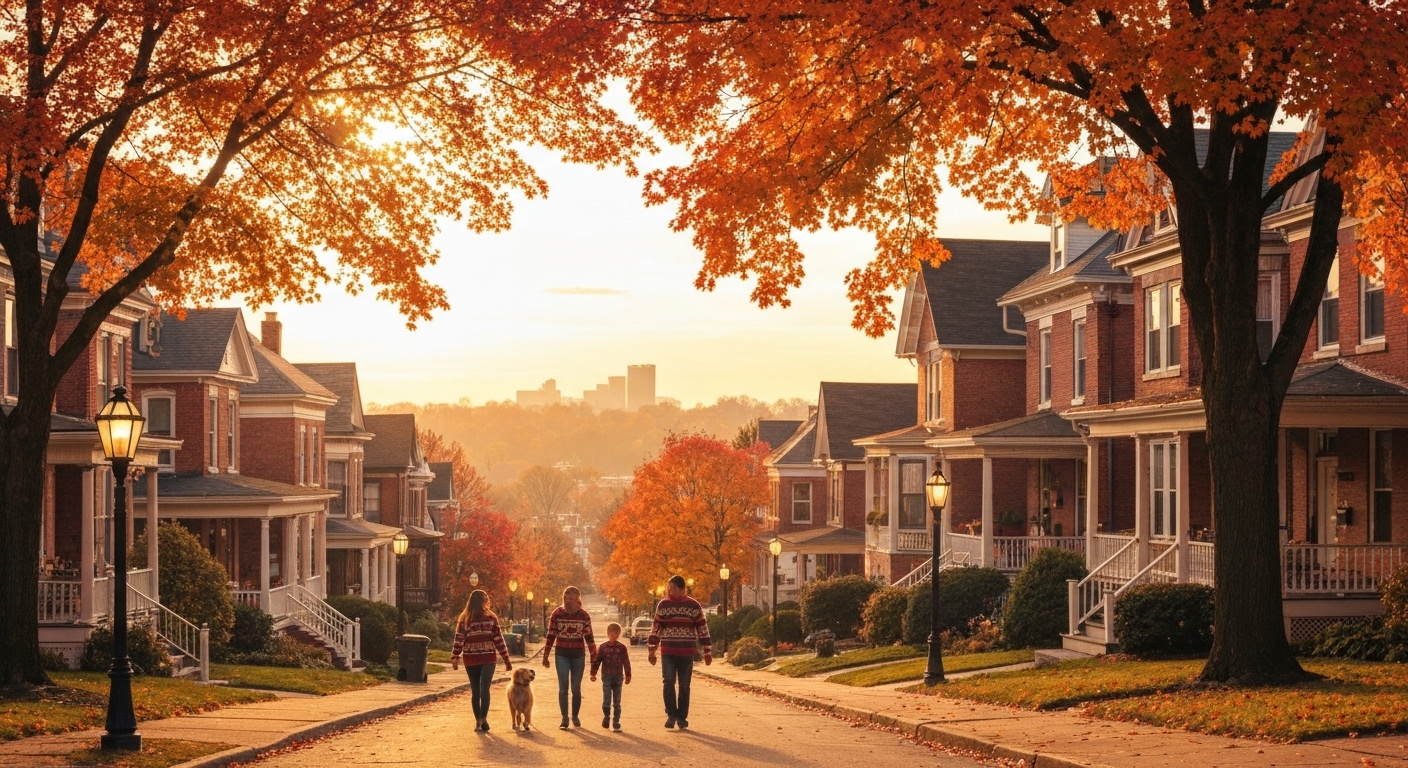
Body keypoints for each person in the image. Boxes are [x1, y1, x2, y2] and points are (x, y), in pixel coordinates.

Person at [647, 574, 711, 730]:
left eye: (673, 587)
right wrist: (652, 649)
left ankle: (682, 717)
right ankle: (671, 715)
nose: (669, 590)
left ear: (682, 589)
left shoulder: (694, 606)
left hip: (686, 651)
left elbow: (702, 628)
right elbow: (657, 627)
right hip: (668, 650)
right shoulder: (663, 605)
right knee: (668, 681)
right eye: (669, 587)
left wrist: (707, 651)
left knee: (684, 685)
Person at [450, 589, 513, 733]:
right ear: (484, 601)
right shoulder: (488, 617)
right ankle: (482, 719)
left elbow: (459, 640)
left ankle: (480, 720)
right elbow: (498, 640)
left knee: (477, 691)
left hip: (472, 658)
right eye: (486, 599)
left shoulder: (465, 618)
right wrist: (506, 659)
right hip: (486, 657)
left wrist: (455, 656)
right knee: (483, 689)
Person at [543, 585, 597, 729]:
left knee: (576, 688)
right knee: (563, 688)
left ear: (577, 599)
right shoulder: (557, 614)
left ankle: (575, 715)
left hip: (578, 655)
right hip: (562, 654)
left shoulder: (583, 616)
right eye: (566, 597)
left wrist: (594, 658)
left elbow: (589, 638)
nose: (569, 600)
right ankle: (564, 718)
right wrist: (546, 655)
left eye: (572, 598)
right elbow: (550, 635)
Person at [590, 622, 632, 731]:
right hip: (607, 677)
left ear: (618, 634)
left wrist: (628, 675)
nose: (613, 635)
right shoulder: (603, 647)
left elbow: (626, 662)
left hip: (618, 677)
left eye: (615, 633)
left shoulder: (622, 648)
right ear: (607, 633)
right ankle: (607, 716)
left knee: (617, 702)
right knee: (606, 700)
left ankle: (616, 721)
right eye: (611, 633)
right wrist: (593, 673)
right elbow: (597, 661)